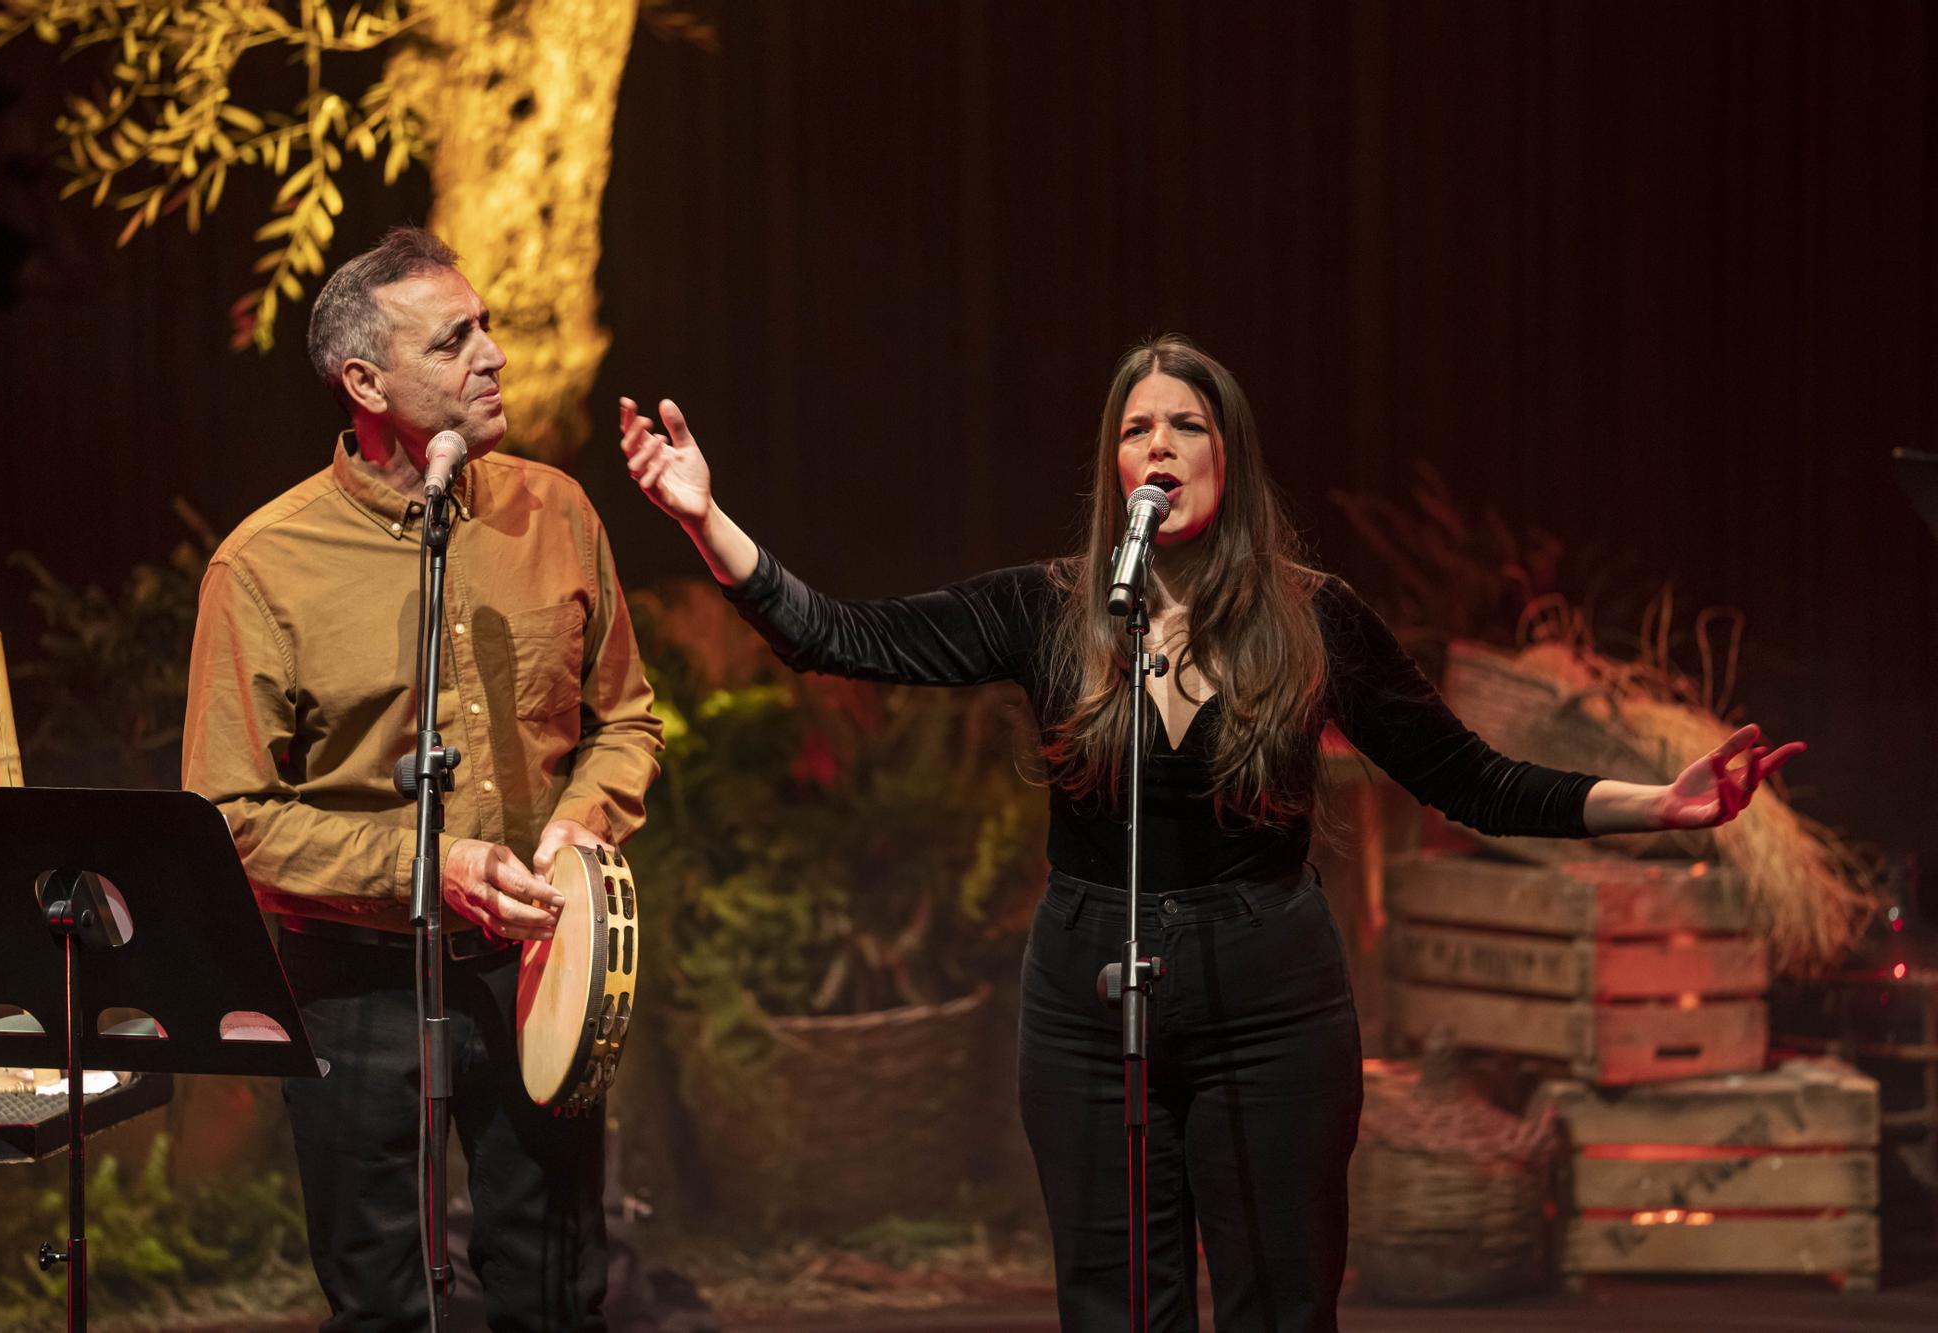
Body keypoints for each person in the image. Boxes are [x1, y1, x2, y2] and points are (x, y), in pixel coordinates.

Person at [617, 335, 1800, 1333]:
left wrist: (1655, 805)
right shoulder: (1053, 608)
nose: (1159, 450)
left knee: (1279, 1299)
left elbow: (1469, 779)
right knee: (1114, 1302)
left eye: (1185, 427)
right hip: (1088, 990)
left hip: (1267, 995)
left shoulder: (1310, 619)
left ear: (1226, 457)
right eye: (1136, 432)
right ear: (1111, 464)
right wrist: (706, 518)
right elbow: (841, 635)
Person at [183, 226, 663, 1332]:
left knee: (555, 1285)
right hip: (353, 981)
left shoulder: (557, 513)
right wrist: (430, 864)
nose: (492, 354)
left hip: (535, 958)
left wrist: (581, 826)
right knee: (385, 1299)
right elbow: (230, 818)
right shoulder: (264, 564)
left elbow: (626, 716)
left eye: (486, 327)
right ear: (364, 380)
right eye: (454, 340)